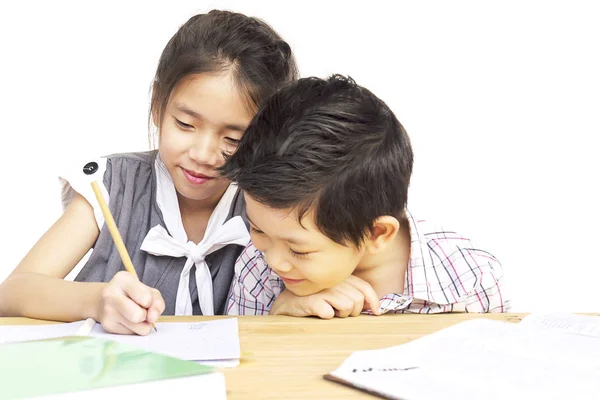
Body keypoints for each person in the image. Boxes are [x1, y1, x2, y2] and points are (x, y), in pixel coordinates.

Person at [0, 10, 298, 333]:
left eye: (233, 139)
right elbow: (11, 293)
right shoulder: (113, 186)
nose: (202, 154)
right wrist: (96, 300)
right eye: (185, 124)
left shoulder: (269, 207)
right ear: (158, 105)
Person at [221, 74, 510, 318]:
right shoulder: (258, 269)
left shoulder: (470, 279)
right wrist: (278, 317)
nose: (275, 261)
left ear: (376, 233)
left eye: (300, 250)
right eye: (257, 229)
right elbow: (236, 374)